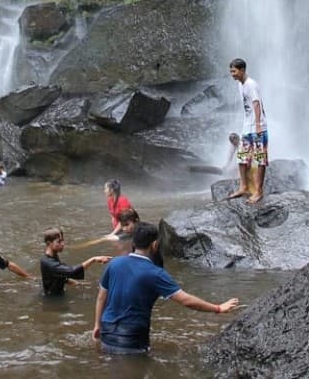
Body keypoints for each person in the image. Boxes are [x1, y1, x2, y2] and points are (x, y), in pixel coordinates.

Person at [92, 222, 239, 354]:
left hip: (107, 332)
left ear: (134, 242)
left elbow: (101, 297)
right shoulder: (155, 273)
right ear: (155, 245)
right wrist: (218, 308)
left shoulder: (114, 263)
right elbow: (186, 300)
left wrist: (97, 325)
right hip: (132, 338)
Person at [228, 58, 268, 203]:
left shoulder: (251, 84)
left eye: (234, 71)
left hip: (258, 128)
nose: (232, 74)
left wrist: (257, 125)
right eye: (231, 71)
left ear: (242, 70)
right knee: (241, 157)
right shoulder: (241, 85)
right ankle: (244, 186)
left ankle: (258, 191)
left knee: (259, 159)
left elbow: (257, 104)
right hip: (247, 128)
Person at [40, 227, 111, 296]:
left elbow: (58, 273)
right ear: (49, 243)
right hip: (53, 299)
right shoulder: (48, 262)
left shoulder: (52, 256)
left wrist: (71, 282)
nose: (63, 244)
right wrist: (93, 259)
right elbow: (71, 271)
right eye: (59, 242)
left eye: (62, 240)